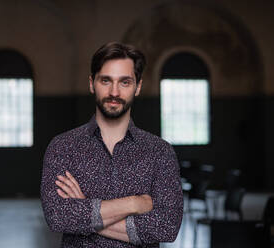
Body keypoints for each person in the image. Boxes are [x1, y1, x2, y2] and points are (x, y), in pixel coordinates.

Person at [41, 42, 183, 247]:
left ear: (138, 87)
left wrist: (84, 209)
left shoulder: (160, 151)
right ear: (92, 84)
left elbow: (167, 227)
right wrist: (134, 203)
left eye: (125, 82)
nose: (114, 92)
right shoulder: (63, 147)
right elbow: (58, 216)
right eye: (106, 81)